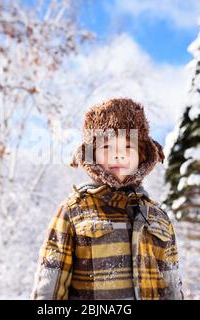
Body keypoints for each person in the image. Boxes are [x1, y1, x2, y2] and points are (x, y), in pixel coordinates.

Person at [31, 98, 183, 300]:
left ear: (143, 154)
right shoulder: (73, 211)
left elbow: (172, 287)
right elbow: (49, 288)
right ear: (91, 154)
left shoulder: (158, 218)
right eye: (107, 147)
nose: (118, 155)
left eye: (128, 146)